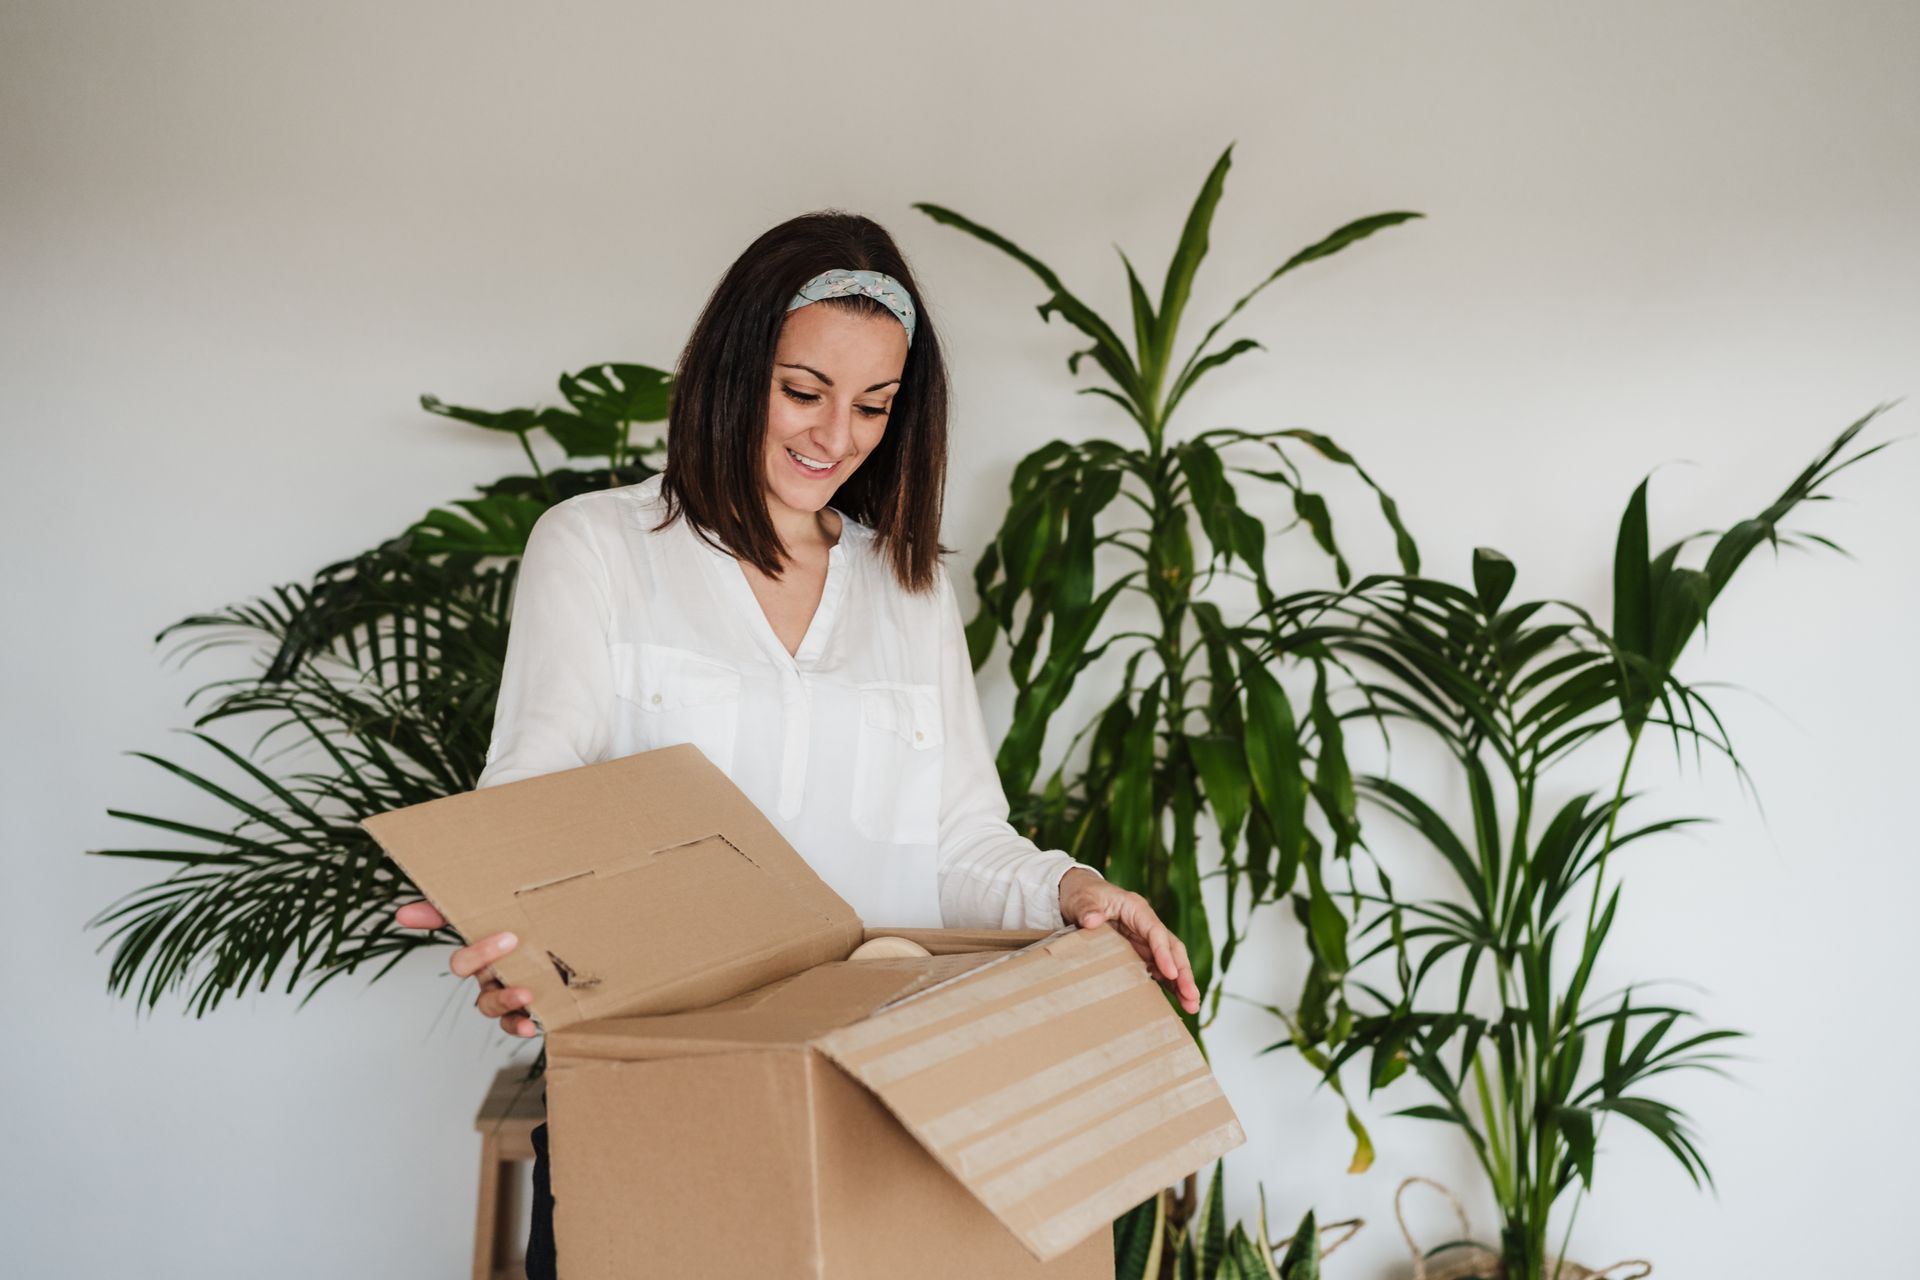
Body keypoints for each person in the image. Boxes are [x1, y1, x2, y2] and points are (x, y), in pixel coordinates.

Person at [393, 211, 1200, 1279]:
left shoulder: (909, 589)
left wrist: (1075, 890)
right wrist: (521, 937)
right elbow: (533, 809)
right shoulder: (598, 550)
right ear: (732, 371)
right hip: (660, 1118)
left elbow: (960, 840)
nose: (836, 436)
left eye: (874, 404)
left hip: (886, 1118)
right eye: (803, 390)